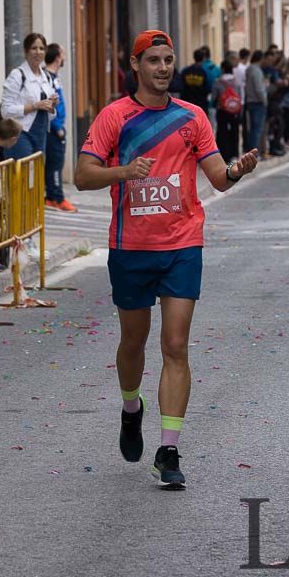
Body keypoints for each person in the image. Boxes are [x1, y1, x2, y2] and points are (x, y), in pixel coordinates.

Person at [75, 30, 259, 491]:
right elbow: (82, 175)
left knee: (175, 345)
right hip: (131, 247)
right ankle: (131, 407)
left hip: (181, 245)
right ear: (135, 65)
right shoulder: (114, 117)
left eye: (168, 59)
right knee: (133, 343)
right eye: (153, 60)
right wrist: (122, 172)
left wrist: (237, 169)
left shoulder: (192, 117)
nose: (162, 67)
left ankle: (169, 449)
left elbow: (217, 178)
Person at [0, 32, 57, 156]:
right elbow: (5, 110)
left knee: (37, 175)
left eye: (41, 48)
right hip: (20, 136)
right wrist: (35, 106)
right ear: (26, 51)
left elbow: (50, 116)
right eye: (34, 48)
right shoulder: (17, 75)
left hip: (41, 137)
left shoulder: (47, 77)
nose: (38, 52)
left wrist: (52, 106)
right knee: (24, 174)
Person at [42, 43, 77, 213]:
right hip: (54, 129)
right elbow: (51, 103)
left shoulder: (54, 77)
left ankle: (52, 195)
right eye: (62, 53)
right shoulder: (47, 78)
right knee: (55, 163)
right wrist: (57, 127)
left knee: (56, 163)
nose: (64, 57)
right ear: (57, 57)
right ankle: (56, 198)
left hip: (57, 127)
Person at [211, 59, 241, 162]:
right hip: (234, 110)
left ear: (223, 69)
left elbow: (214, 97)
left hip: (222, 110)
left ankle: (223, 154)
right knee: (234, 131)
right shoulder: (236, 82)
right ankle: (234, 154)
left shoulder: (218, 82)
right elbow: (240, 96)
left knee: (222, 132)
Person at [244, 50, 268, 156]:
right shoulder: (256, 70)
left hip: (250, 100)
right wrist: (264, 100)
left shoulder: (249, 69)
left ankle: (251, 149)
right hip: (257, 102)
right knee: (257, 128)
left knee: (253, 127)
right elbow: (259, 88)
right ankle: (254, 152)